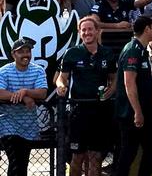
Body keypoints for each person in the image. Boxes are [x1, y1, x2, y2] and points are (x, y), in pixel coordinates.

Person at [56, 16, 117, 176]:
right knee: (78, 156)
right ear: (79, 33)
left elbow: (114, 78)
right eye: (84, 30)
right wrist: (61, 86)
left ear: (97, 31)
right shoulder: (72, 53)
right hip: (78, 110)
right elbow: (62, 78)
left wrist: (111, 90)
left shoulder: (108, 53)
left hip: (100, 111)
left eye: (90, 29)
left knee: (96, 157)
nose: (87, 32)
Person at [114, 16, 152, 176]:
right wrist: (137, 112)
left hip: (143, 109)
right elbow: (129, 82)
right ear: (147, 28)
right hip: (131, 112)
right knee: (128, 153)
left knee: (151, 150)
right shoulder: (133, 49)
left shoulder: (142, 49)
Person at [0, 38, 47, 176]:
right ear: (13, 54)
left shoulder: (38, 70)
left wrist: (25, 91)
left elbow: (42, 93)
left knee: (23, 162)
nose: (25, 55)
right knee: (15, 160)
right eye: (21, 52)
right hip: (7, 123)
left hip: (29, 125)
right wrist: (24, 97)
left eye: (28, 51)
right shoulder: (4, 71)